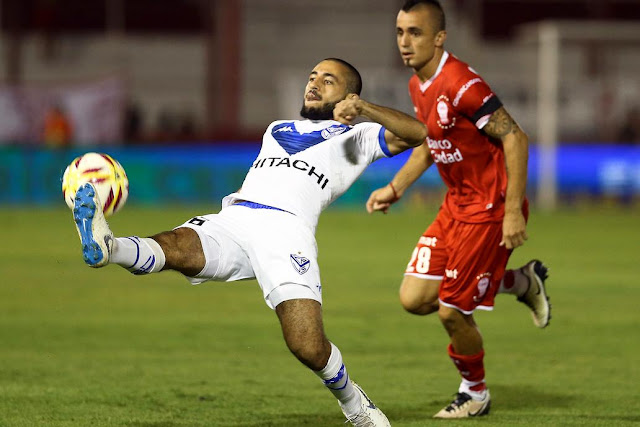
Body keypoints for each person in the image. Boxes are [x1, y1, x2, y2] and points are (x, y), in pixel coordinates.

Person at [71, 58, 428, 426]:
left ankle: (355, 404)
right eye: (312, 77)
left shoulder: (358, 136)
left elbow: (418, 133)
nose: (314, 84)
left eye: (328, 80)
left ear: (349, 95)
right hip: (237, 216)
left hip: (286, 230)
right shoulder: (276, 128)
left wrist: (365, 110)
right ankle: (108, 247)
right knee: (178, 245)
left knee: (306, 345)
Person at [365, 0, 551, 419]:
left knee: (451, 310)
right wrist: (395, 188)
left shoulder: (463, 84)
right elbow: (432, 143)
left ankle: (475, 393)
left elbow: (516, 138)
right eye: (400, 32)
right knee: (414, 299)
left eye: (415, 32)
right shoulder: (418, 85)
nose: (405, 42)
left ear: (439, 37)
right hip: (456, 206)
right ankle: (520, 283)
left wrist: (513, 213)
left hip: (489, 207)